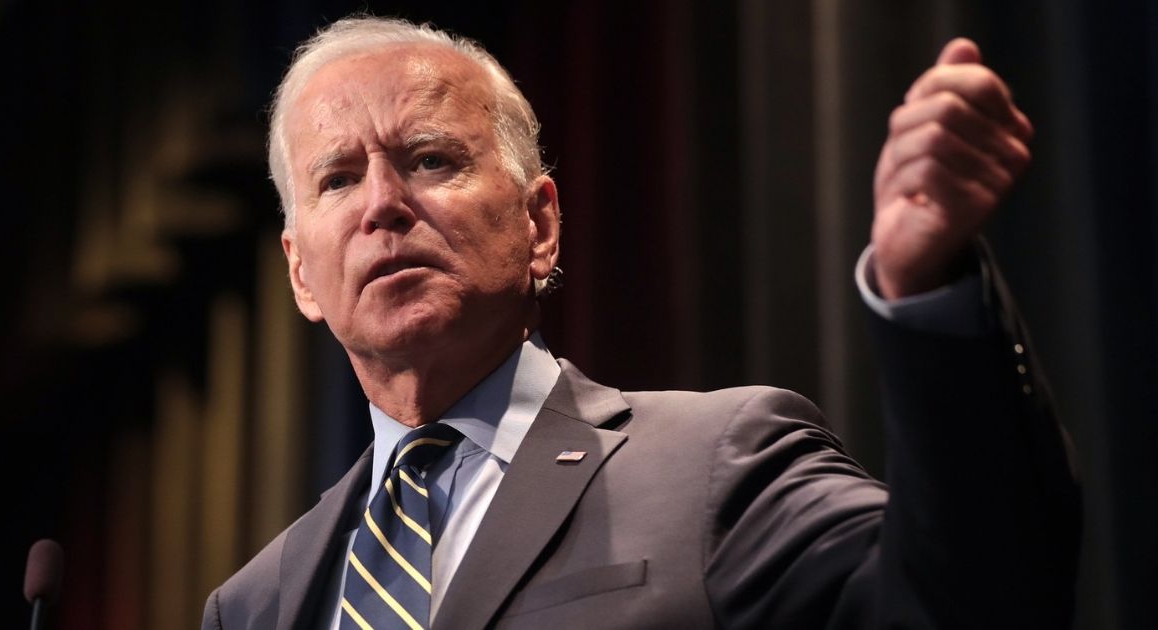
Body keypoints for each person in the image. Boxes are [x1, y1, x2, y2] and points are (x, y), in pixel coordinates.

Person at [203, 16, 1079, 630]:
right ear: (299, 272)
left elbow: (977, 601)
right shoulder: (256, 602)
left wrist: (926, 291)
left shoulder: (715, 465)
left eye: (430, 159)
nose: (384, 205)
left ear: (540, 224)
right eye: (338, 179)